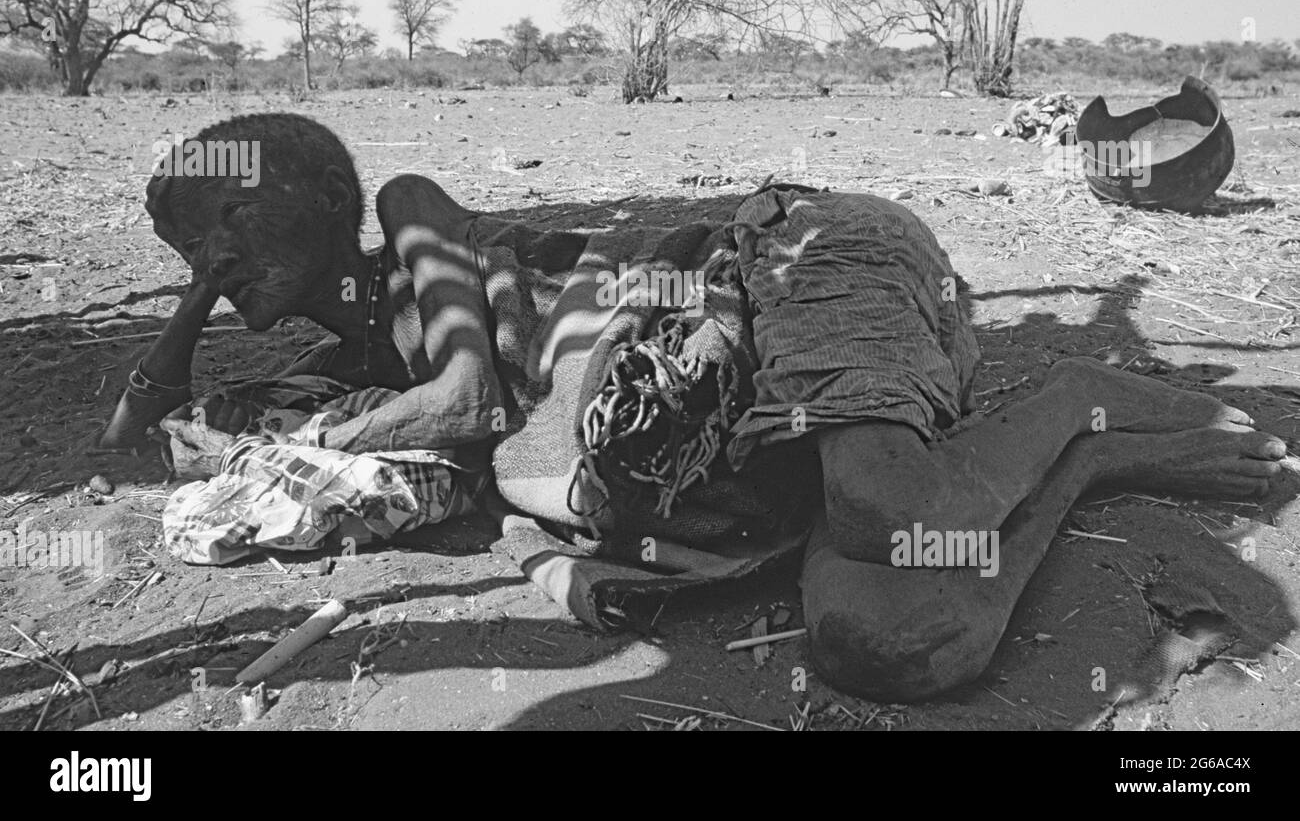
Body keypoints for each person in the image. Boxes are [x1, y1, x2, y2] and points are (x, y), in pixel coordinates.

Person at [106, 113, 1287, 701]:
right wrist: (202, 310)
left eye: (229, 217)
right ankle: (1081, 462)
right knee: (884, 647)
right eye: (184, 242)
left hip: (785, 265)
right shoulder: (341, 367)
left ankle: (1075, 392)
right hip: (725, 446)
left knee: (888, 500)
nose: (209, 254)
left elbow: (464, 397)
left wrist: (324, 433)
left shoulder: (415, 220)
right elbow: (137, 436)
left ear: (325, 191)